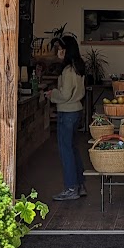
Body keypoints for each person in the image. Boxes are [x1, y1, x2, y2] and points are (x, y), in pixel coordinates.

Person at [46, 35, 87, 201]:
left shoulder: (67, 70)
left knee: (66, 151)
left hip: (67, 112)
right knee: (73, 149)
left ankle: (71, 188)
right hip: (76, 111)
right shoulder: (78, 67)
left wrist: (51, 94)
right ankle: (80, 185)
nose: (58, 52)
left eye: (60, 49)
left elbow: (64, 94)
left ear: (66, 50)